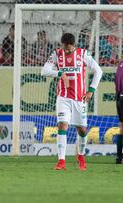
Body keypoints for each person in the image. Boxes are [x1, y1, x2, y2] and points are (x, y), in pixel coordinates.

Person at [41, 33, 103, 171]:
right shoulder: (57, 54)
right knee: (62, 125)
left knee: (82, 130)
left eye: (69, 49)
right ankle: (61, 161)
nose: (67, 51)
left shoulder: (83, 54)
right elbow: (44, 71)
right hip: (63, 98)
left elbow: (99, 71)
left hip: (80, 99)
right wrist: (59, 73)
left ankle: (80, 156)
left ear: (74, 45)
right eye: (64, 48)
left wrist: (91, 90)